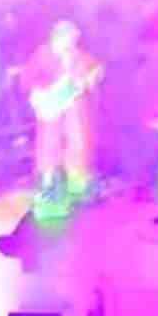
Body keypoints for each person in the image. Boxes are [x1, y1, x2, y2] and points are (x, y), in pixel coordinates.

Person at [27, 17, 101, 203]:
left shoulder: (78, 56)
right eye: (68, 37)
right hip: (50, 105)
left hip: (72, 106)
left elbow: (95, 69)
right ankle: (47, 184)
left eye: (74, 37)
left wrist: (90, 78)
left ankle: (77, 182)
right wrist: (38, 94)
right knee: (48, 143)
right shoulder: (43, 54)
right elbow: (29, 77)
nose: (72, 41)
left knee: (78, 140)